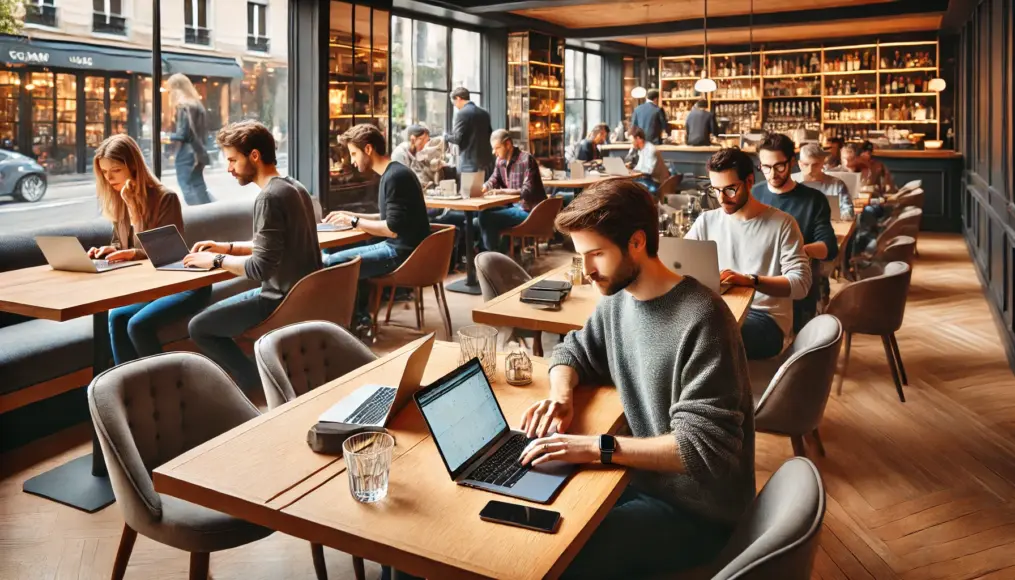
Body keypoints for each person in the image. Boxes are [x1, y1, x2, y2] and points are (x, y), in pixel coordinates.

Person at [518, 180, 755, 579]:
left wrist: (596, 447)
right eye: (582, 256)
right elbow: (571, 351)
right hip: (639, 482)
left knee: (558, 559)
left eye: (596, 254)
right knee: (532, 519)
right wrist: (561, 395)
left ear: (637, 242)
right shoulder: (617, 300)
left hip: (697, 512)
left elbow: (701, 452)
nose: (588, 270)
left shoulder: (704, 319)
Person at [184, 121, 321, 390]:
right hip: (305, 294)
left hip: (281, 301)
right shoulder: (294, 187)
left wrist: (214, 261)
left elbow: (260, 268)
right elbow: (270, 245)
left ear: (254, 156)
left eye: (233, 160)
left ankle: (254, 381)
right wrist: (226, 247)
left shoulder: (269, 198)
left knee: (199, 327)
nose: (229, 168)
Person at [87, 135, 211, 365]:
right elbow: (122, 244)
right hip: (150, 285)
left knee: (137, 324)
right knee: (116, 316)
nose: (109, 177)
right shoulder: (119, 198)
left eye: (115, 169)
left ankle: (162, 386)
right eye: (104, 172)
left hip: (184, 284)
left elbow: (165, 252)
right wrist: (108, 250)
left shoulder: (166, 198)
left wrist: (134, 211)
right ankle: (129, 386)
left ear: (133, 166)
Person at [685, 148, 810, 360]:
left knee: (709, 335)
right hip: (718, 311)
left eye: (730, 189)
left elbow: (801, 285)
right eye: (715, 190)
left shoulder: (783, 224)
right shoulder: (706, 221)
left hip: (766, 319)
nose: (722, 198)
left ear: (750, 181)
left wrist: (751, 281)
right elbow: (678, 263)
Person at [322, 124, 432, 327]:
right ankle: (358, 319)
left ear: (368, 149)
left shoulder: (395, 177)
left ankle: (346, 324)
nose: (352, 161)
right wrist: (350, 215)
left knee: (330, 263)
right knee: (331, 252)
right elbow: (389, 218)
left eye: (354, 154)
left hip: (403, 254)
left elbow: (391, 229)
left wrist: (353, 222)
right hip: (405, 248)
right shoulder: (394, 173)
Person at [753, 134, 838, 333]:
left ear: (792, 162)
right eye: (765, 167)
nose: (772, 174)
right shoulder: (753, 194)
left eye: (779, 166)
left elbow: (829, 247)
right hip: (755, 285)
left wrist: (796, 251)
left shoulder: (813, 199)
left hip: (796, 286)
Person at [477, 129, 547, 252]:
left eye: (497, 148)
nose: (494, 152)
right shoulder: (500, 161)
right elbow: (494, 178)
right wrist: (484, 187)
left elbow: (526, 191)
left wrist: (501, 191)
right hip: (513, 207)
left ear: (508, 144)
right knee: (481, 214)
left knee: (487, 219)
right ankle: (499, 252)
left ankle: (493, 255)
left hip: (530, 211)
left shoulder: (526, 159)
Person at [167, 73, 212, 206]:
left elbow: (184, 134)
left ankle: (200, 220)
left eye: (170, 89)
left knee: (187, 188)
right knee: (199, 188)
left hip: (186, 153)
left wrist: (165, 137)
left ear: (176, 88)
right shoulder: (197, 104)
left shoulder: (184, 105)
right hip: (199, 152)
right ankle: (212, 218)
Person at [793, 142, 853, 220]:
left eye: (815, 165)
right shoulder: (790, 183)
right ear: (800, 164)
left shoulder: (837, 185)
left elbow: (849, 211)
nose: (810, 170)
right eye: (806, 164)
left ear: (822, 163)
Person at [446, 87, 493, 177]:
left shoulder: (461, 114)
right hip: (487, 162)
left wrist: (445, 137)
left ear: (458, 98)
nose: (455, 106)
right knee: (485, 190)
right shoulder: (484, 113)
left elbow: (457, 139)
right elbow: (490, 135)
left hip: (469, 164)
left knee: (468, 190)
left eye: (454, 103)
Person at [630, 126, 670, 194]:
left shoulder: (650, 150)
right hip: (649, 178)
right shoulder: (642, 149)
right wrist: (630, 170)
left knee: (631, 187)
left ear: (638, 139)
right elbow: (640, 166)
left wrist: (634, 171)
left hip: (657, 182)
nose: (631, 143)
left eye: (632, 141)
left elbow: (649, 170)